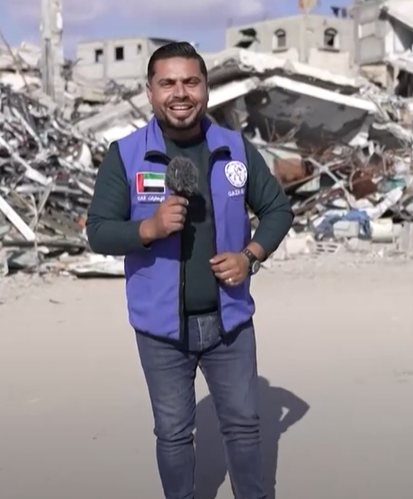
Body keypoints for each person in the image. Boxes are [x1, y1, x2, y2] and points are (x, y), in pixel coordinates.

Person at [85, 41, 294, 499]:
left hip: (230, 323)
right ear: (150, 92)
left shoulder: (234, 149)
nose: (180, 93)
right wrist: (149, 228)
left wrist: (250, 256)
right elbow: (98, 231)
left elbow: (278, 210)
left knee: (244, 427)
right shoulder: (126, 155)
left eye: (190, 82)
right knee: (173, 434)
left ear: (205, 89)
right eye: (168, 83)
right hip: (161, 329)